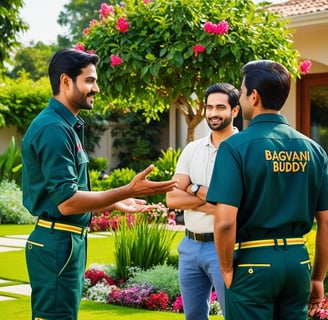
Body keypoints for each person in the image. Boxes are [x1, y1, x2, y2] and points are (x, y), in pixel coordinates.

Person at [21, 48, 178, 320]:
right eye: (90, 80)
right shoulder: (54, 129)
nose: (97, 88)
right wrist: (128, 190)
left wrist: (115, 201)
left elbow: (68, 191)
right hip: (59, 242)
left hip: (66, 240)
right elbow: (67, 201)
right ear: (66, 82)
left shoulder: (66, 125)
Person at [206, 60, 328, 320]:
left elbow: (225, 222)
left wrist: (226, 271)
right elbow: (326, 223)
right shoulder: (315, 150)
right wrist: (317, 278)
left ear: (254, 96)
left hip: (253, 261)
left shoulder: (234, 147)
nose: (239, 96)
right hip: (298, 261)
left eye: (241, 91)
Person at [166, 83, 241, 319]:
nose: (213, 113)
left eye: (220, 107)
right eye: (209, 107)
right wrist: (216, 205)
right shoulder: (192, 149)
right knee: (193, 317)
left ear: (235, 111)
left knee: (234, 314)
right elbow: (172, 197)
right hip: (190, 246)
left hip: (226, 246)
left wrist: (193, 188)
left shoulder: (244, 149)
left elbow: (241, 206)